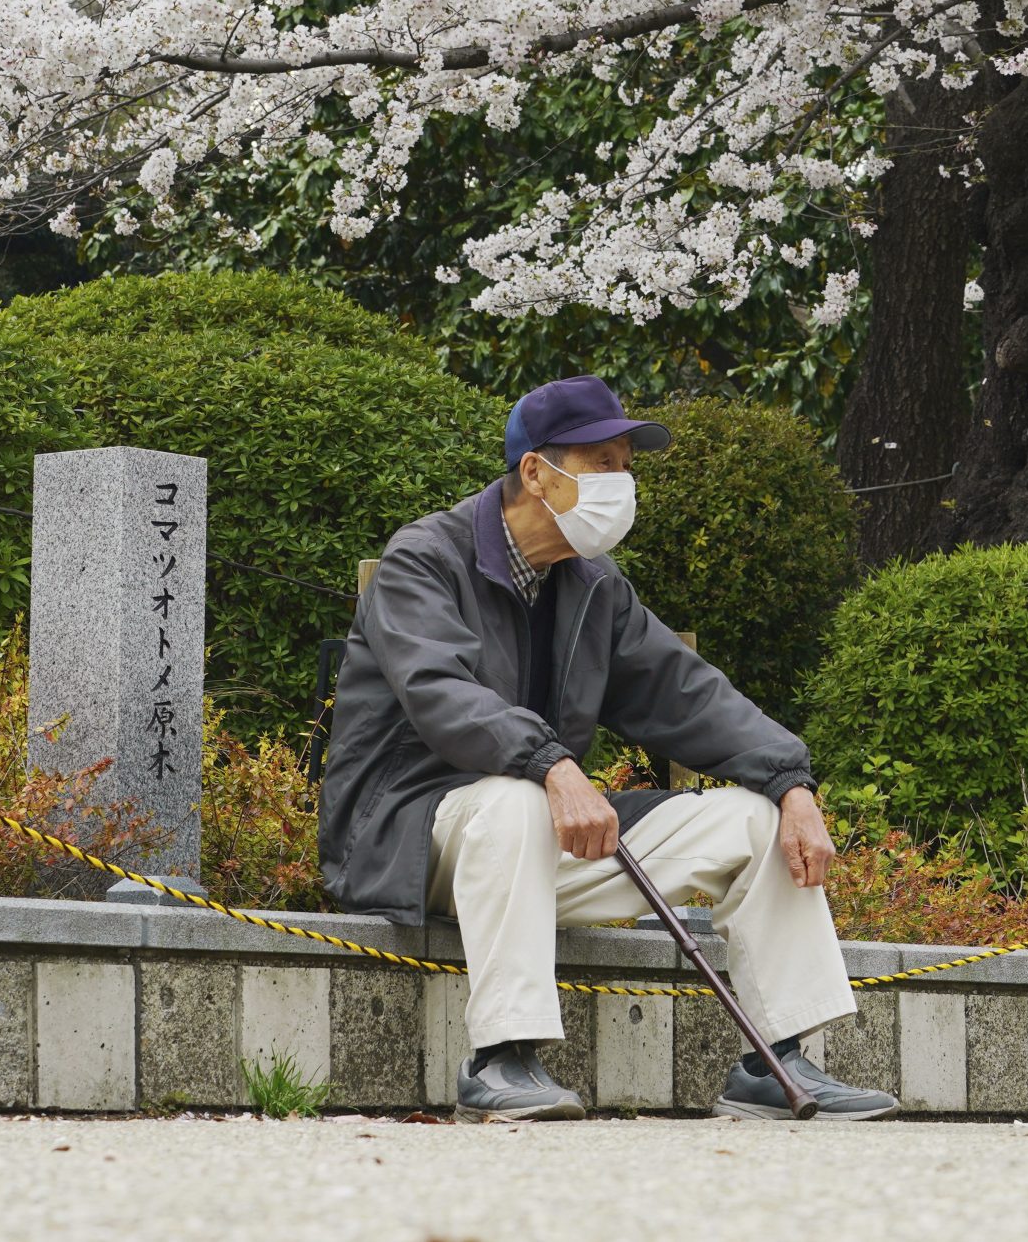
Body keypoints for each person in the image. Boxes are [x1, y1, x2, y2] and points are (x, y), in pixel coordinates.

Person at [319, 375, 895, 1122]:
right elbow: (440, 694)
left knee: (755, 822)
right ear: (536, 471)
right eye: (601, 462)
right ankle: (503, 1057)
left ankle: (777, 1058)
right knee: (518, 798)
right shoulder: (423, 559)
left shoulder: (594, 586)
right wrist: (553, 764)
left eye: (626, 464)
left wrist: (792, 783)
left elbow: (687, 692)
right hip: (407, 836)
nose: (621, 484)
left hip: (529, 838)